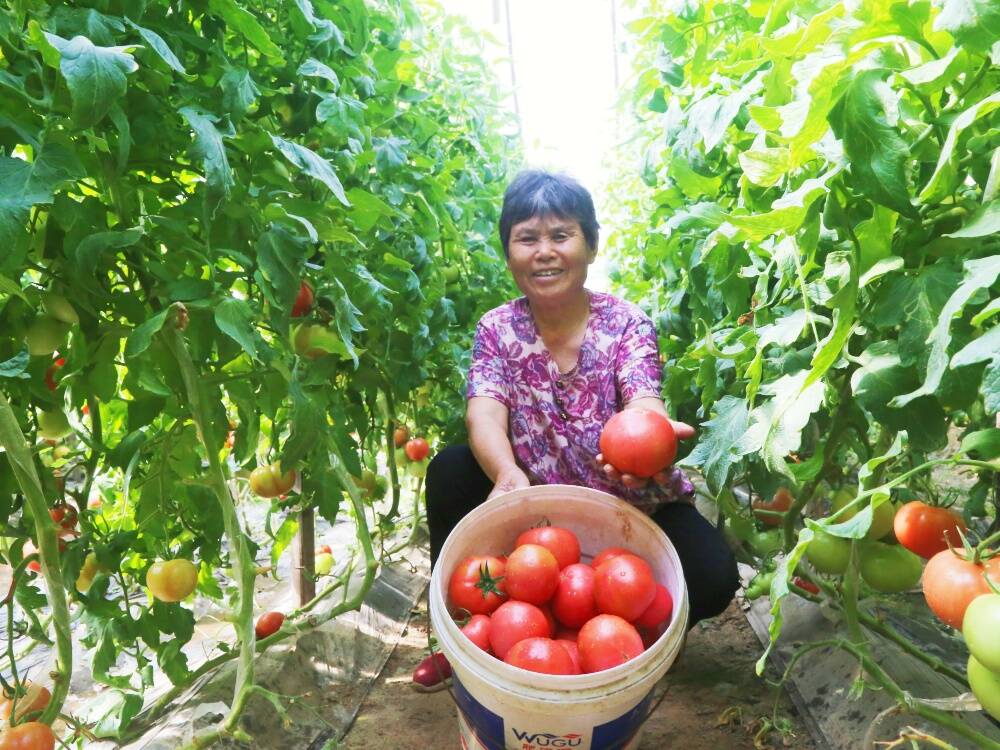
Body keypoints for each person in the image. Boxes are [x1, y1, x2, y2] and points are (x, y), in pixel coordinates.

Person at [412, 170, 739, 691]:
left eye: (561, 235)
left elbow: (642, 400)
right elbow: (485, 410)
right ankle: (463, 641)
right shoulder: (497, 328)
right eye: (527, 238)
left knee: (714, 574)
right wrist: (506, 474)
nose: (544, 251)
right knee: (451, 468)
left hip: (631, 503)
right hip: (534, 503)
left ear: (590, 244)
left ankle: (641, 642)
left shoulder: (627, 323)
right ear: (509, 252)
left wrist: (647, 446)